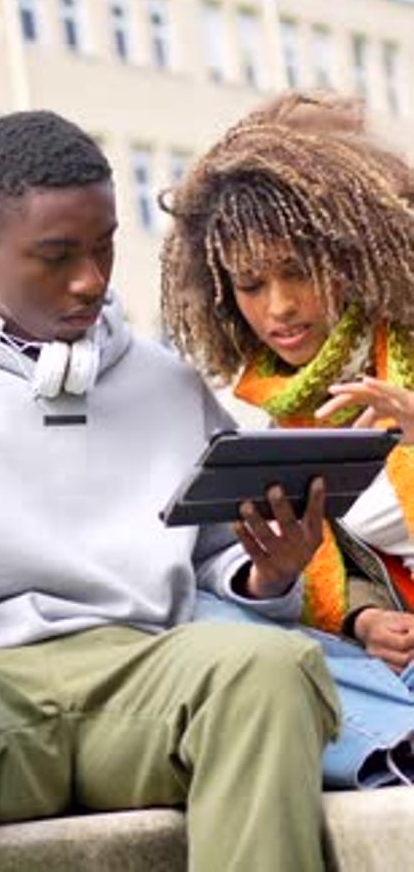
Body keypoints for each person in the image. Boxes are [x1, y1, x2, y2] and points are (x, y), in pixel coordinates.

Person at [0, 109, 339, 872]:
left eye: (105, 247)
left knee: (268, 668)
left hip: (143, 684)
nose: (92, 280)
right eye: (57, 256)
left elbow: (220, 563)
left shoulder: (166, 383)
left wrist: (267, 572)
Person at [160, 90, 414, 788]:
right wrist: (358, 617)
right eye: (249, 283)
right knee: (201, 615)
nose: (279, 307)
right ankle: (395, 743)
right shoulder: (244, 412)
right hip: (371, 667)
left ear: (355, 253)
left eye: (298, 271)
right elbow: (288, 588)